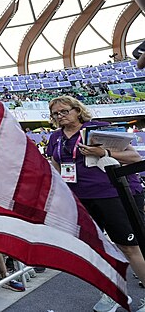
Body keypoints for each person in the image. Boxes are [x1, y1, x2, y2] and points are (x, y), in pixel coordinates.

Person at [47, 95, 145, 312]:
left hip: (113, 194)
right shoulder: (55, 137)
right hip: (81, 199)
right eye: (55, 114)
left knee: (129, 247)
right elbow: (55, 163)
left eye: (64, 111)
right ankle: (112, 294)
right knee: (97, 249)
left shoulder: (98, 129)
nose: (60, 116)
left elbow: (134, 158)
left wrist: (104, 152)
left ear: (77, 110)